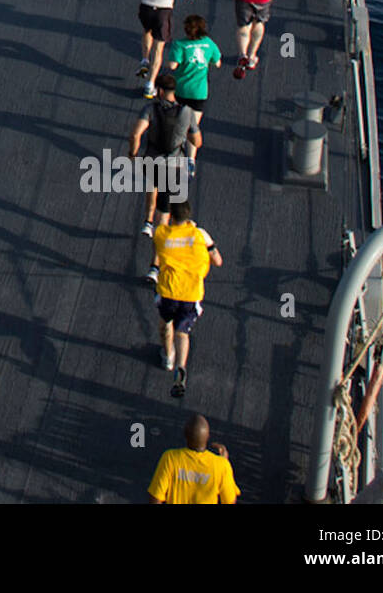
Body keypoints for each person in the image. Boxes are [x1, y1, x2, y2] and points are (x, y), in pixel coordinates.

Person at [149, 199, 222, 397]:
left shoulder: (161, 234)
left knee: (166, 324)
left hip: (168, 291)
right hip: (191, 293)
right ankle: (181, 366)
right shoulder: (200, 235)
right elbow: (218, 260)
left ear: (172, 215)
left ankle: (168, 357)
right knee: (182, 332)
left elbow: (159, 248)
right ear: (189, 216)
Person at [129, 75, 200, 242]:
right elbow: (197, 141)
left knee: (152, 184)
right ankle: (156, 259)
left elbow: (135, 134)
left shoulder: (150, 109)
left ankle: (148, 220)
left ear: (160, 91)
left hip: (152, 159)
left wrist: (132, 153)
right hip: (174, 164)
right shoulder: (186, 112)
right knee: (166, 205)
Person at [131, 0, 191, 98]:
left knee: (147, 30)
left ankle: (144, 59)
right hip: (163, 11)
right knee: (159, 49)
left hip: (146, 7)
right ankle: (150, 85)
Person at [147, 415, 240, 504]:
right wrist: (224, 463)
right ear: (208, 436)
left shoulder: (170, 458)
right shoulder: (221, 466)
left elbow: (155, 498)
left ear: (185, 434)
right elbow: (230, 501)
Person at [164, 15, 222, 136]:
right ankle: (191, 155)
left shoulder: (179, 44)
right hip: (199, 92)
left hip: (181, 90)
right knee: (193, 127)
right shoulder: (208, 43)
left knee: (176, 124)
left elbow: (172, 65)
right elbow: (217, 63)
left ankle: (174, 149)